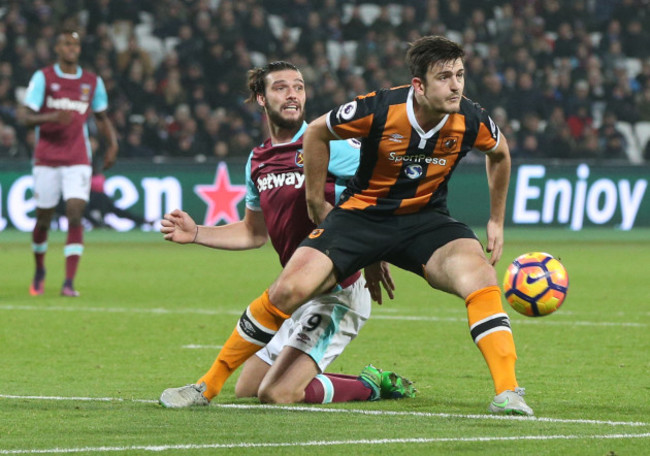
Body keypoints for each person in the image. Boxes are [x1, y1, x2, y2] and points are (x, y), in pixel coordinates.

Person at [160, 36, 532, 416]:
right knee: (284, 298)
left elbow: (500, 155)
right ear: (418, 85)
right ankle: (205, 386)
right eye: (444, 77)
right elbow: (318, 132)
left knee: (480, 275)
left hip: (425, 220)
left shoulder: (471, 119)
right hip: (362, 217)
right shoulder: (381, 109)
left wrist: (496, 220)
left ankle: (508, 392)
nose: (455, 86)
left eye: (460, 76)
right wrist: (314, 202)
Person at [159, 61, 415, 407]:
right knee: (249, 387)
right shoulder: (258, 159)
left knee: (277, 394)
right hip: (296, 290)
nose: (292, 95)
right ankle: (334, 378)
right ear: (261, 99)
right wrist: (197, 234)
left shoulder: (328, 142)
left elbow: (380, 190)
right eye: (281, 87)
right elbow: (253, 232)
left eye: (298, 87)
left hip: (337, 292)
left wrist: (373, 254)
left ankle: (370, 385)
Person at [23, 29, 118, 297]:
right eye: (66, 44)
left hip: (78, 158)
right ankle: (40, 269)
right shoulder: (44, 78)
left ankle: (68, 282)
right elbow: (24, 116)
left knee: (75, 213)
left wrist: (112, 144)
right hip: (47, 158)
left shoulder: (91, 82)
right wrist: (51, 117)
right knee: (43, 220)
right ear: (57, 48)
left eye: (75, 44)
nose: (72, 49)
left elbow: (101, 117)